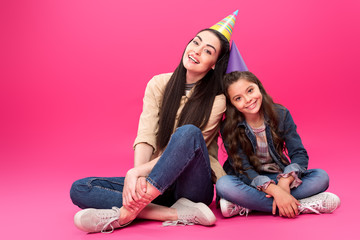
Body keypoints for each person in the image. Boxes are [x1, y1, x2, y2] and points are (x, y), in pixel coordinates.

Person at [70, 11, 238, 233]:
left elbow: (187, 146)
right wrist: (138, 174)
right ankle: (172, 213)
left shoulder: (216, 100)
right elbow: (146, 133)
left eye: (207, 51)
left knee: (188, 133)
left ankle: (126, 214)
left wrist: (136, 177)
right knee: (81, 188)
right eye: (195, 42)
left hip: (192, 188)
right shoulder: (159, 84)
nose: (196, 50)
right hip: (156, 182)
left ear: (215, 64)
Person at [216, 70, 340, 218]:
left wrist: (284, 181)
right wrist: (275, 191)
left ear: (259, 87)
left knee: (321, 177)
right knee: (223, 184)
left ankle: (246, 205)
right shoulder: (229, 127)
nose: (248, 99)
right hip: (250, 182)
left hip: (279, 176)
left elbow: (299, 154)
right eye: (238, 98)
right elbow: (243, 169)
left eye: (250, 90)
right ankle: (300, 205)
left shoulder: (281, 114)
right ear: (232, 104)